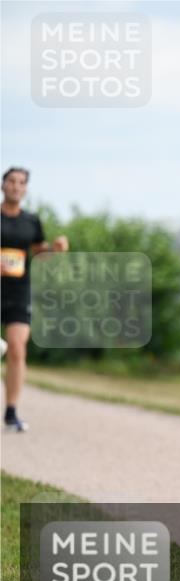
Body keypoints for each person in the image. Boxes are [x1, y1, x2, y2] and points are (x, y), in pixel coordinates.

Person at [1, 167, 69, 432]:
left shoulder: (31, 221)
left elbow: (39, 253)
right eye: (11, 181)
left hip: (18, 291)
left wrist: (56, 249)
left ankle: (11, 412)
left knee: (17, 348)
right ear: (2, 185)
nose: (16, 187)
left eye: (21, 183)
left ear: (26, 189)